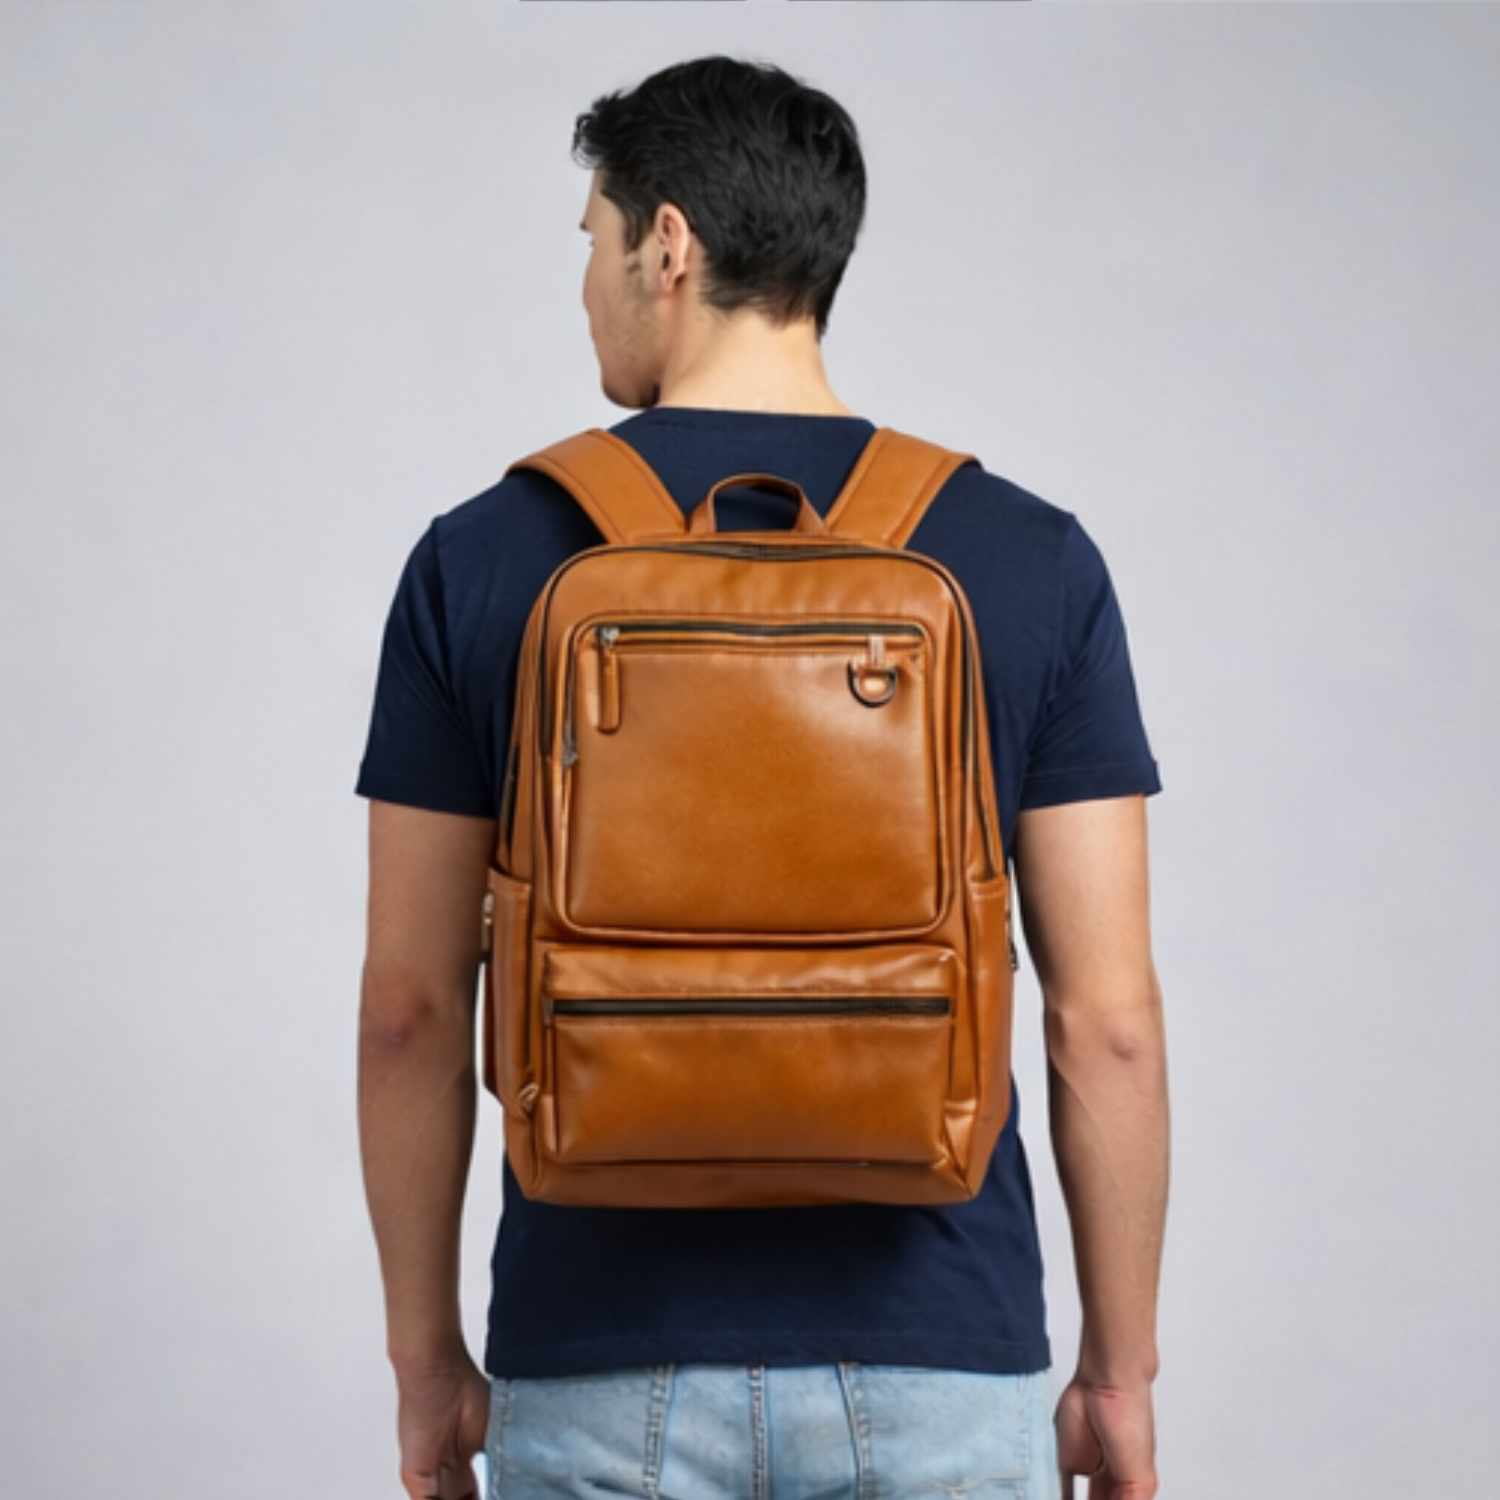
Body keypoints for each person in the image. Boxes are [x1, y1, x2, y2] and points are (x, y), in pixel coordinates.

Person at [357, 56, 1168, 1500]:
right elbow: (1105, 1020)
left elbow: (413, 1014)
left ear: (666, 243)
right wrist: (1118, 1371)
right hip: (943, 1354)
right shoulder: (1030, 559)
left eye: (592, 242)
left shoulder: (478, 559)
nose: (589, 286)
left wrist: (427, 1363)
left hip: (595, 1359)